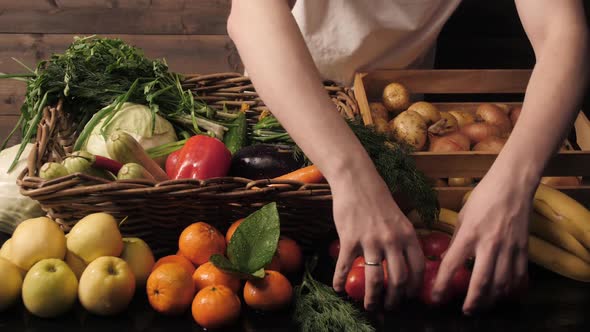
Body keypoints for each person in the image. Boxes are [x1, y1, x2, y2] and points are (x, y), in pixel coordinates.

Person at [227, 0, 589, 314]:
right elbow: (251, 14)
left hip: (387, 108)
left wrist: (512, 184)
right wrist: (351, 174)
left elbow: (562, 32)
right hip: (290, 97)